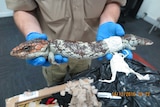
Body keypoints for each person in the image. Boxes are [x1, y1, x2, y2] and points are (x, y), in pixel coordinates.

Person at [6, 0, 132, 86]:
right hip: (52, 47)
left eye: (27, 49)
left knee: (81, 79)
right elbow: (22, 7)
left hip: (88, 44)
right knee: (55, 82)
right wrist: (32, 33)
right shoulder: (46, 50)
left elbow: (114, 2)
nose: (24, 52)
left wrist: (108, 20)